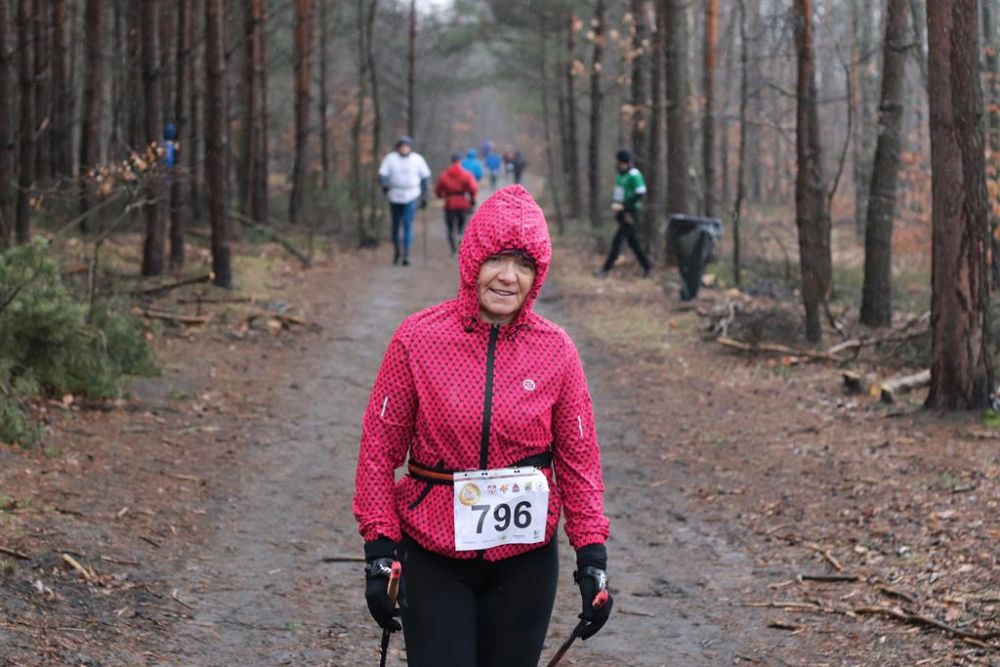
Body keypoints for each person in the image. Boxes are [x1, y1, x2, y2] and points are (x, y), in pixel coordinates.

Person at [354, 184, 613, 667]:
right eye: (497, 259)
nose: (508, 277)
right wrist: (379, 550)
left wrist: (592, 558)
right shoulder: (417, 339)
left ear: (538, 275)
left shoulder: (557, 350)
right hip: (433, 555)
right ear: (473, 259)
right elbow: (378, 451)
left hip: (525, 564)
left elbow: (579, 462)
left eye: (524, 264)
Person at [595, 149, 653, 278]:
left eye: (619, 162)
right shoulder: (620, 176)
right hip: (622, 214)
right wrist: (616, 204)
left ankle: (605, 270)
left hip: (631, 214)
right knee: (634, 244)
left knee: (617, 241)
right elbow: (619, 193)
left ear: (625, 162)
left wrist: (625, 205)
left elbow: (640, 193)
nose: (617, 164)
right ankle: (648, 268)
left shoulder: (634, 175)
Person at [378, 136, 432, 266]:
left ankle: (406, 253)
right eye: (402, 147)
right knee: (395, 225)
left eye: (406, 147)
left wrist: (424, 195)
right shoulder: (390, 159)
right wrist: (384, 185)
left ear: (410, 148)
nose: (404, 149)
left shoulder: (417, 159)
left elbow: (426, 177)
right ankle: (397, 250)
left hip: (411, 195)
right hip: (394, 195)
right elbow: (382, 174)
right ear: (398, 148)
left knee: (407, 224)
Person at [434, 153, 478, 256]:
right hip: (462, 203)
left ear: (451, 161)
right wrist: (472, 199)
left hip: (449, 204)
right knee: (461, 227)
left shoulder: (444, 175)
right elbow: (473, 188)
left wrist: (441, 196)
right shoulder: (466, 174)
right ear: (460, 161)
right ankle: (461, 247)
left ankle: (453, 250)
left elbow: (438, 190)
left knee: (450, 228)